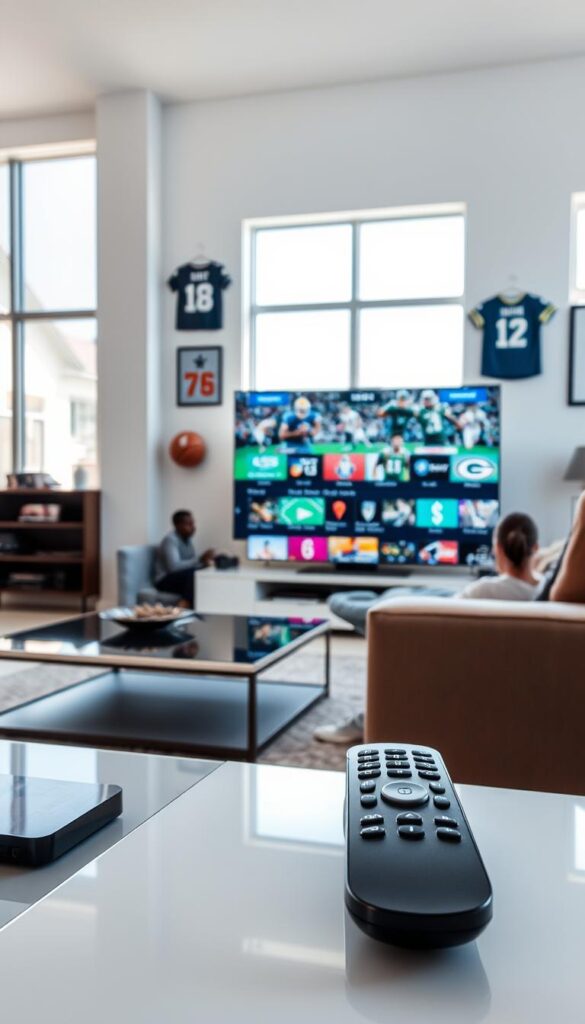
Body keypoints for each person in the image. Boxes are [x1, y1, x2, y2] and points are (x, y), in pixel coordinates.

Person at [314, 511, 540, 744]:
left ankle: (365, 720)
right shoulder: (543, 590)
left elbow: (437, 622)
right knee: (401, 593)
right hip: (490, 655)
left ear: (498, 549)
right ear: (535, 548)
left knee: (353, 606)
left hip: (436, 650)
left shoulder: (484, 590)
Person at [154, 510, 215, 607]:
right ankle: (183, 605)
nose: (193, 527)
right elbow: (173, 567)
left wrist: (204, 563)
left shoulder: (188, 540)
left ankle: (198, 607)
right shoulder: (170, 540)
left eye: (193, 523)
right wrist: (199, 559)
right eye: (189, 524)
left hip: (180, 578)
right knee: (193, 574)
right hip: (164, 580)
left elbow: (190, 564)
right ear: (178, 526)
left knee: (201, 573)